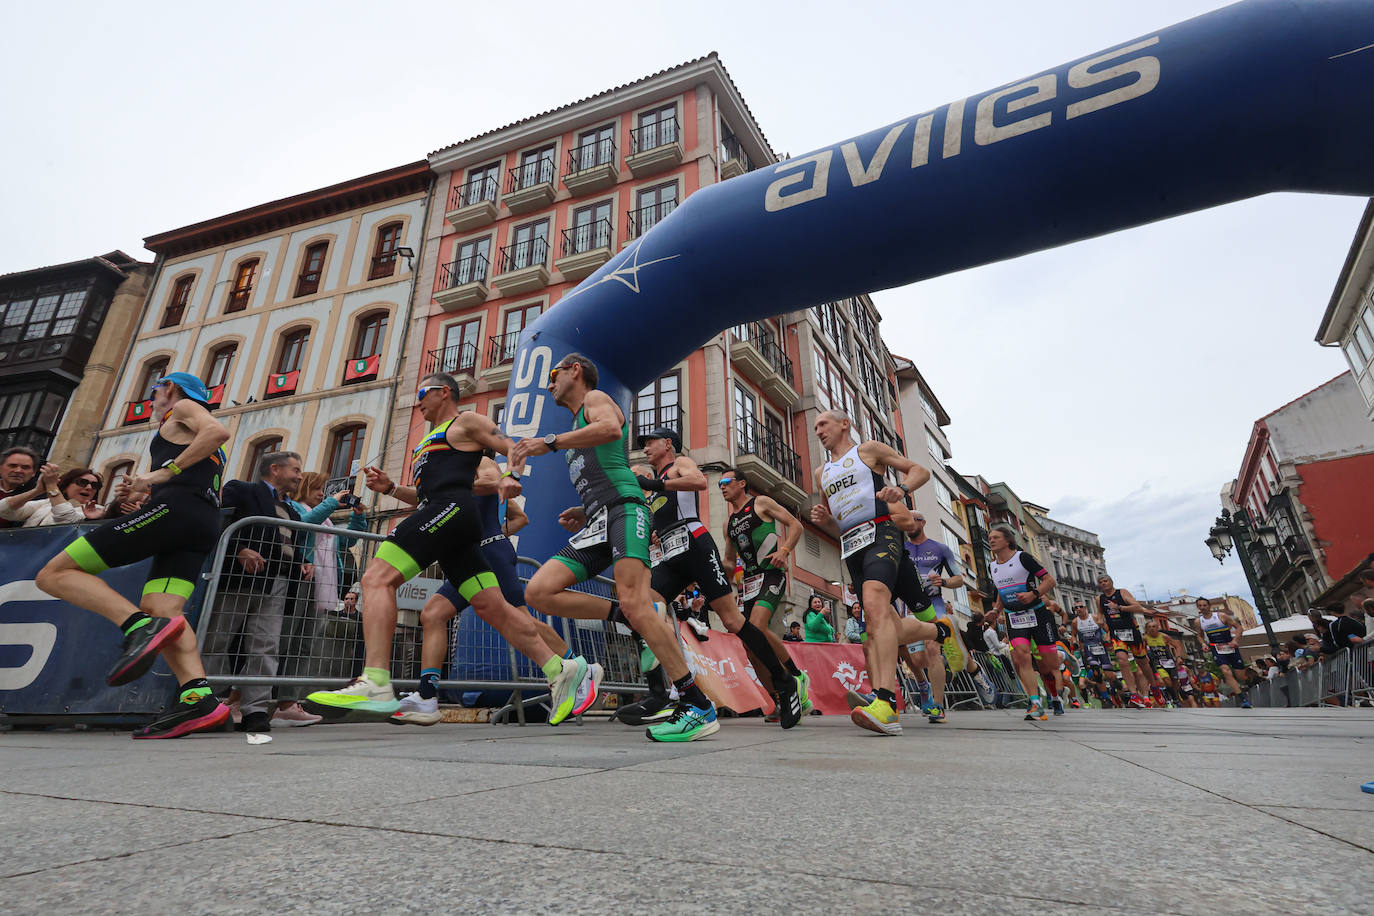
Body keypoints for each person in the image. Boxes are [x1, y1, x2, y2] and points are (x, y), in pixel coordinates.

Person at [308, 372, 594, 727]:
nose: (419, 401)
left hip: (452, 511)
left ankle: (377, 681)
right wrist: (391, 487)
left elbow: (515, 448)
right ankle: (559, 668)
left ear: (445, 392)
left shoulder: (467, 421)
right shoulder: (426, 442)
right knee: (493, 607)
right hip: (446, 516)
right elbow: (424, 494)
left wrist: (511, 476)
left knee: (376, 579)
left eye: (423, 393)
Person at [515, 354, 717, 742]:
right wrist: (583, 507)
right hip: (599, 518)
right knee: (539, 591)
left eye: (554, 374)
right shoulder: (576, 423)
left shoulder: (595, 399)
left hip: (626, 510)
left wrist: (549, 442)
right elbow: (604, 466)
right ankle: (623, 616)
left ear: (575, 371)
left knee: (638, 604)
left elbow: (611, 428)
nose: (550, 383)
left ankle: (696, 705)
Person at [35, 372, 231, 739]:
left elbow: (218, 431)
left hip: (177, 511)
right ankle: (198, 697)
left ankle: (137, 626)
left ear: (170, 389)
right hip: (202, 520)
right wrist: (151, 485)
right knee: (164, 608)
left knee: (53, 574)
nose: (153, 399)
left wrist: (160, 475)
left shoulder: (184, 408)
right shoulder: (189, 433)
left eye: (155, 390)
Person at [383, 454, 591, 726]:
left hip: (490, 554)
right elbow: (430, 499)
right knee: (433, 614)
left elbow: (499, 491)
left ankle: (576, 667)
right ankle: (427, 695)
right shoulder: (452, 471)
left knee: (522, 619)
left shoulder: (478, 461)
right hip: (468, 558)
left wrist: (495, 537)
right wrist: (391, 490)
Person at [631, 434, 804, 729]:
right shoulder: (654, 484)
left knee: (735, 622)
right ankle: (659, 693)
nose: (645, 447)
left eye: (652, 442)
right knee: (639, 607)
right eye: (643, 444)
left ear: (668, 445)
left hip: (696, 546)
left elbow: (699, 482)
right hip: (672, 556)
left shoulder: (679, 464)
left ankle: (784, 681)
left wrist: (655, 485)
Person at [807, 409, 951, 736]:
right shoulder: (822, 473)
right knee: (880, 625)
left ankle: (885, 703)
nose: (818, 431)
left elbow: (920, 470)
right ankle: (937, 631)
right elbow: (837, 521)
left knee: (873, 608)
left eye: (823, 424)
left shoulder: (868, 450)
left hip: (883, 532)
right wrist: (823, 518)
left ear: (844, 424)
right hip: (852, 546)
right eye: (815, 427)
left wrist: (900, 489)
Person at [203, 450, 308, 733]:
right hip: (242, 579)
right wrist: (238, 549)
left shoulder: (293, 509)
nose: (300, 476)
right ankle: (204, 703)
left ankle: (256, 711)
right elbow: (217, 520)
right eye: (295, 470)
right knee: (217, 638)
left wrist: (301, 562)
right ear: (275, 469)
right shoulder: (241, 489)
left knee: (266, 645)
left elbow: (285, 543)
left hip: (278, 582)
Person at [718, 465, 811, 715]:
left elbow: (796, 526)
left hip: (771, 574)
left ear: (741, 484)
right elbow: (729, 561)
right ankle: (779, 702)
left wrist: (784, 551)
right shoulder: (728, 523)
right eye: (719, 484)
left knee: (757, 626)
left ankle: (796, 676)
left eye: (727, 481)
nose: (722, 487)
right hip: (748, 583)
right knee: (750, 646)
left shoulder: (761, 503)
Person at [898, 510, 995, 719]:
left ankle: (938, 706)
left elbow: (959, 579)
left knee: (933, 650)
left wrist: (943, 582)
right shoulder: (899, 547)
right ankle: (971, 667)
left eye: (912, 520)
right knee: (918, 659)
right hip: (910, 607)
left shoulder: (939, 549)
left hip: (934, 605)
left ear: (922, 522)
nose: (907, 523)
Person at [983, 523, 1062, 720]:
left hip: (1038, 614)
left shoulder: (1022, 558)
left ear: (1008, 540)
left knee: (1048, 664)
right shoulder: (992, 566)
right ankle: (1035, 702)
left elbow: (1050, 581)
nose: (991, 540)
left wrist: (1032, 594)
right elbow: (1001, 592)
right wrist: (995, 610)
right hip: (1014, 617)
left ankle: (1054, 696)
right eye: (990, 537)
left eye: (996, 537)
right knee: (1021, 656)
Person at [1098, 575, 1155, 708]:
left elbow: (1138, 607)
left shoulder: (1122, 593)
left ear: (1111, 582)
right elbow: (1100, 613)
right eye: (1100, 582)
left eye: (1105, 581)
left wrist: (1120, 607)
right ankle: (1134, 694)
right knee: (1122, 660)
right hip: (1116, 634)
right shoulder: (1099, 599)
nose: (1103, 584)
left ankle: (1154, 687)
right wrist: (1100, 620)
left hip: (1132, 632)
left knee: (1143, 663)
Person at [1194, 596, 1249, 707]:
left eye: (1204, 605)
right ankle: (1243, 699)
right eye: (1200, 606)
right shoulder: (1198, 621)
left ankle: (1246, 685)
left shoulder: (1221, 616)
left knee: (1241, 676)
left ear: (1209, 606)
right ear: (1198, 608)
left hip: (1230, 646)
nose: (1203, 607)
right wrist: (1203, 644)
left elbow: (1239, 627)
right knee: (1225, 671)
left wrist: (1235, 640)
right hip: (1216, 648)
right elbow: (1199, 636)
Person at [0, 461, 84, 527]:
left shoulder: (94, 511)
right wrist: (37, 491)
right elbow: (3, 510)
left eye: (95, 485)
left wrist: (51, 486)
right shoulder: (46, 503)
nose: (89, 487)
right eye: (82, 482)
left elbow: (68, 521)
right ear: (66, 486)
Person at [1072, 602, 1119, 706]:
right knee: (1096, 674)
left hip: (1101, 647)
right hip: (1088, 649)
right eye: (1076, 608)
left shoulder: (1094, 617)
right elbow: (1074, 635)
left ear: (1085, 608)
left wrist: (1107, 637)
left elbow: (1108, 630)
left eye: (1081, 607)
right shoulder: (1075, 622)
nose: (1078, 609)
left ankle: (1116, 685)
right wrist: (1075, 642)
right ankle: (1105, 699)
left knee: (1109, 675)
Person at [1143, 619, 1186, 707]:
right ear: (1146, 629)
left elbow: (1177, 646)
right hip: (1157, 662)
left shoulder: (1164, 636)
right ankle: (1174, 700)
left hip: (1169, 661)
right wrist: (1145, 656)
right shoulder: (1145, 638)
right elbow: (1141, 649)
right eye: (1149, 627)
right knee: (1166, 680)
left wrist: (1178, 657)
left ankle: (1176, 697)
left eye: (1154, 627)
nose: (1152, 629)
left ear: (1158, 628)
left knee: (1175, 683)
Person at [0, 446, 40, 529]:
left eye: (25, 467)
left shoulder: (39, 497)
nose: (18, 471)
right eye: (12, 466)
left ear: (34, 472)